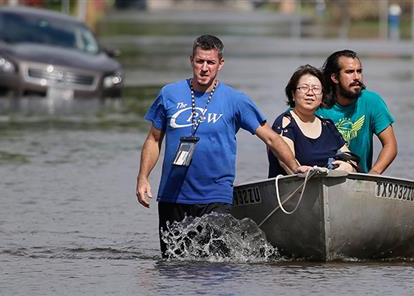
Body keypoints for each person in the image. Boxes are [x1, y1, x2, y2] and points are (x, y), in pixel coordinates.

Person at [135, 35, 309, 256]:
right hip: (173, 195)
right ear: (191, 61)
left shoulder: (235, 100)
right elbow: (153, 139)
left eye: (210, 62)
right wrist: (143, 177)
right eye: (200, 61)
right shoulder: (169, 94)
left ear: (221, 64)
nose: (205, 68)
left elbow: (271, 138)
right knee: (173, 264)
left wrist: (295, 168)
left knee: (215, 266)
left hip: (215, 195)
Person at [316, 50, 397, 175]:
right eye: (349, 72)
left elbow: (390, 145)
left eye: (359, 71)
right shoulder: (316, 104)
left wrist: (373, 174)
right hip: (320, 177)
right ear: (334, 77)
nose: (357, 77)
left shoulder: (372, 101)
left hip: (358, 179)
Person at [267, 65, 357, 177]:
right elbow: (285, 163)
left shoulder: (328, 125)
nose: (310, 93)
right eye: (304, 88)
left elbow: (350, 157)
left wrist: (349, 166)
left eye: (315, 88)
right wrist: (303, 174)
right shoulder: (285, 123)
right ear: (293, 94)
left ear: (322, 96)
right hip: (294, 189)